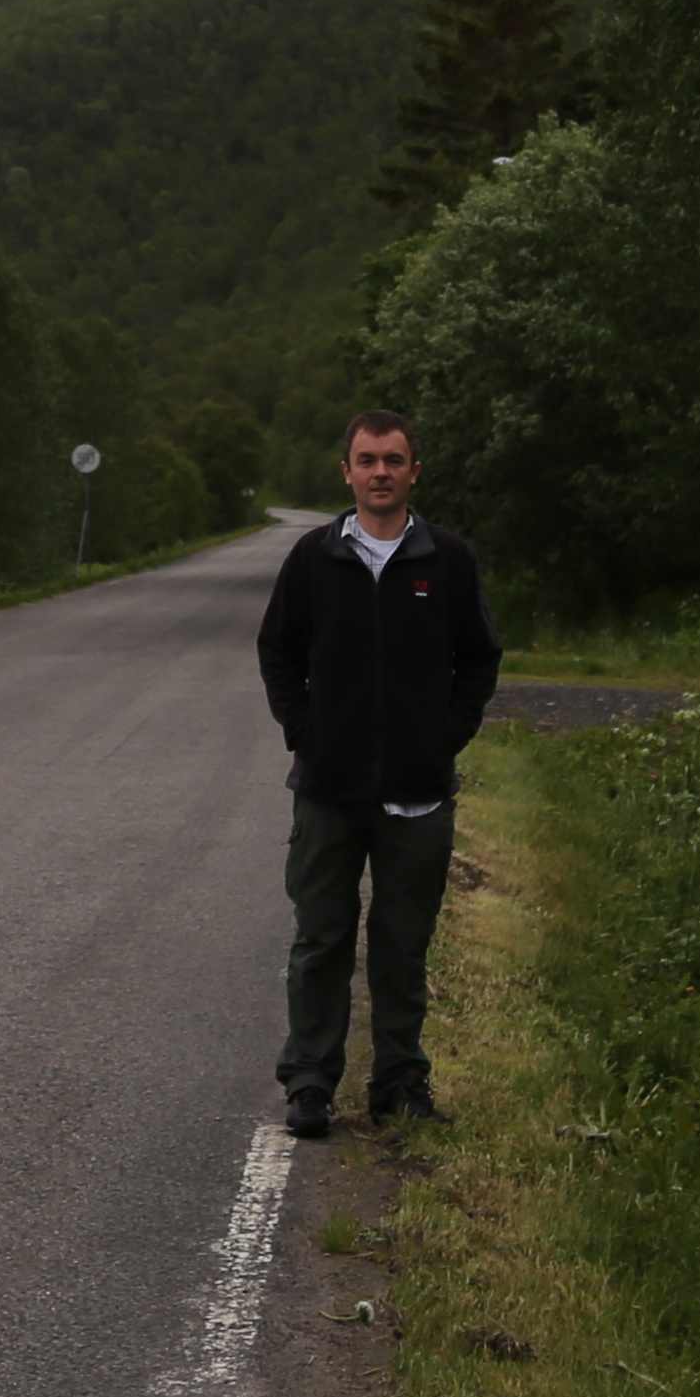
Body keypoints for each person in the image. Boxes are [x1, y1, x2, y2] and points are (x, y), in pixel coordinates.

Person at [252, 408, 500, 1139]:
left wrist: (444, 737)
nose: (381, 472)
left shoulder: (447, 560)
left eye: (394, 460)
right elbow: (278, 652)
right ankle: (309, 1083)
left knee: (401, 944)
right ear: (348, 471)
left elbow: (480, 657)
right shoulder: (312, 558)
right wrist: (306, 731)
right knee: (321, 940)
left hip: (418, 796)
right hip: (329, 791)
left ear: (414, 471)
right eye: (368, 460)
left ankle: (399, 1083)